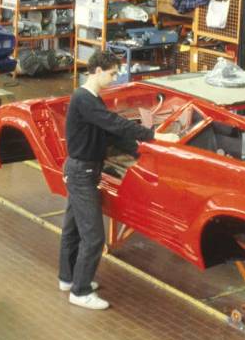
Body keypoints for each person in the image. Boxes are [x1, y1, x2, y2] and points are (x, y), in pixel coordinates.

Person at [58, 50, 177, 310]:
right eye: (112, 73)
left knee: (73, 228)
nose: (115, 77)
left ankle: (68, 278)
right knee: (93, 237)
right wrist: (152, 136)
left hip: (79, 170)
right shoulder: (85, 100)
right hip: (82, 174)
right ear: (98, 71)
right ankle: (80, 291)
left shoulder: (91, 99)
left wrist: (139, 151)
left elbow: (109, 134)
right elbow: (115, 124)